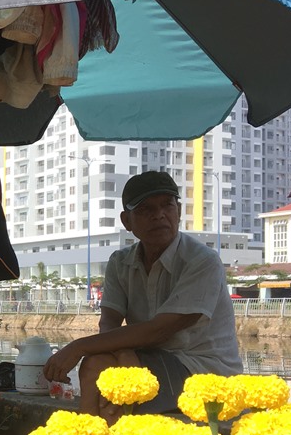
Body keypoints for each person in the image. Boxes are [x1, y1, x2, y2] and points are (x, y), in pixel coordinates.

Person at [43, 170, 242, 420]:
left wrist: (78, 346)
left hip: (203, 370)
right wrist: (124, 354)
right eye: (146, 209)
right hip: (149, 358)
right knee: (95, 366)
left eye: (167, 205)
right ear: (127, 221)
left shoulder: (202, 261)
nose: (159, 215)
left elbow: (160, 329)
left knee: (109, 382)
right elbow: (109, 322)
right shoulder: (120, 262)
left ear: (178, 212)